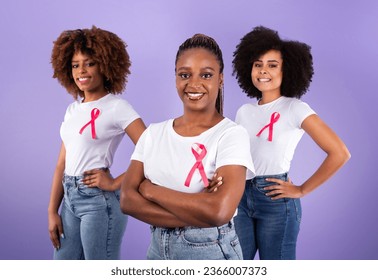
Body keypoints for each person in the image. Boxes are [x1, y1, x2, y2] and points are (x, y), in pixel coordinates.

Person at [120, 34, 255, 260]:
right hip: (157, 250)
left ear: (220, 79)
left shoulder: (231, 135)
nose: (193, 84)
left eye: (206, 75)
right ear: (175, 78)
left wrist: (151, 190)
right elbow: (127, 200)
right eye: (185, 74)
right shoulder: (154, 133)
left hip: (210, 250)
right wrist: (201, 210)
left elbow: (220, 211)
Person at [232, 26, 351, 260]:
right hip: (240, 198)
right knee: (235, 265)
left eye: (272, 65)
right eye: (258, 64)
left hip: (275, 202)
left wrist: (302, 189)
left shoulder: (295, 108)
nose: (263, 70)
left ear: (288, 70)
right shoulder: (243, 112)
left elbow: (339, 152)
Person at [48, 26, 146, 260]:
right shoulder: (72, 110)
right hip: (69, 200)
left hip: (98, 203)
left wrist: (115, 183)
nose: (81, 70)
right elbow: (62, 164)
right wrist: (52, 210)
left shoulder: (117, 107)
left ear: (105, 64)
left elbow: (151, 150)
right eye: (75, 64)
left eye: (89, 63)